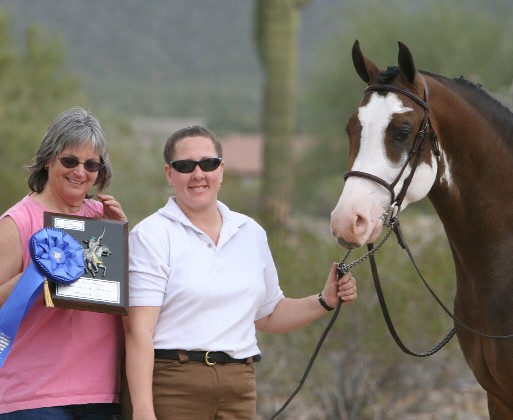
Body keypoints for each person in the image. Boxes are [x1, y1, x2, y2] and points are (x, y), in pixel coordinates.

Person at [123, 126, 358, 420]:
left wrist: (325, 300)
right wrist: (143, 411)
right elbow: (138, 330)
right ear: (169, 174)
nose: (198, 174)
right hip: (173, 385)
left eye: (207, 164)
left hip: (239, 387)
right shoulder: (151, 235)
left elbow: (269, 314)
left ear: (221, 170)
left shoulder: (251, 233)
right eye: (185, 166)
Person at [0, 107, 128, 419]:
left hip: (100, 394)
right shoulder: (17, 221)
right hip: (32, 398)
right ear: (48, 159)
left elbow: (126, 300)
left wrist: (122, 237)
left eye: (91, 164)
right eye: (69, 160)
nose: (80, 172)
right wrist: (38, 274)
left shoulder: (103, 219)